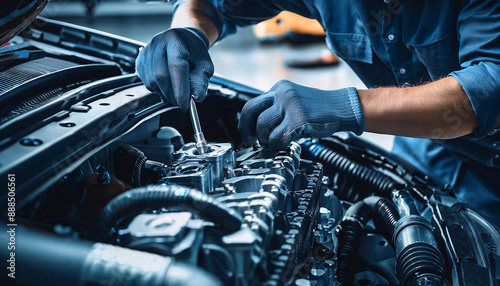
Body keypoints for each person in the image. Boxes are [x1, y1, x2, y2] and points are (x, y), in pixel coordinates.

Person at [135, 0, 500, 225]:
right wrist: (189, 31)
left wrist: (344, 106)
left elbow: (487, 88)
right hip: (436, 152)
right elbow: (211, 4)